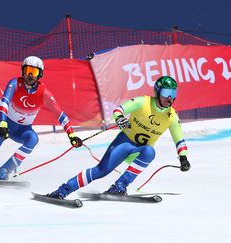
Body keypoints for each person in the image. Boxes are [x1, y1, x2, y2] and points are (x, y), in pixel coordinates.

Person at [47, 76, 190, 199]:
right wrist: (120, 118)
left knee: (150, 151)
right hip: (124, 144)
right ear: (158, 92)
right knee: (100, 171)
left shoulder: (172, 116)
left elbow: (179, 140)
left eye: (173, 93)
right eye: (166, 93)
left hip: (139, 153)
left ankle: (119, 186)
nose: (169, 98)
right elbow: (118, 110)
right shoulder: (143, 102)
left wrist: (183, 157)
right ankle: (62, 190)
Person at [0, 56, 83, 182]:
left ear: (40, 74)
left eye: (34, 72)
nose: (30, 75)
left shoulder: (44, 92)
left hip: (23, 131)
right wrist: (3, 123)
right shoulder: (15, 83)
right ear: (23, 71)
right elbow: (4, 102)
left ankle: (5, 170)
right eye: (28, 70)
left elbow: (61, 115)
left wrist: (71, 135)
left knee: (33, 139)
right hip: (5, 125)